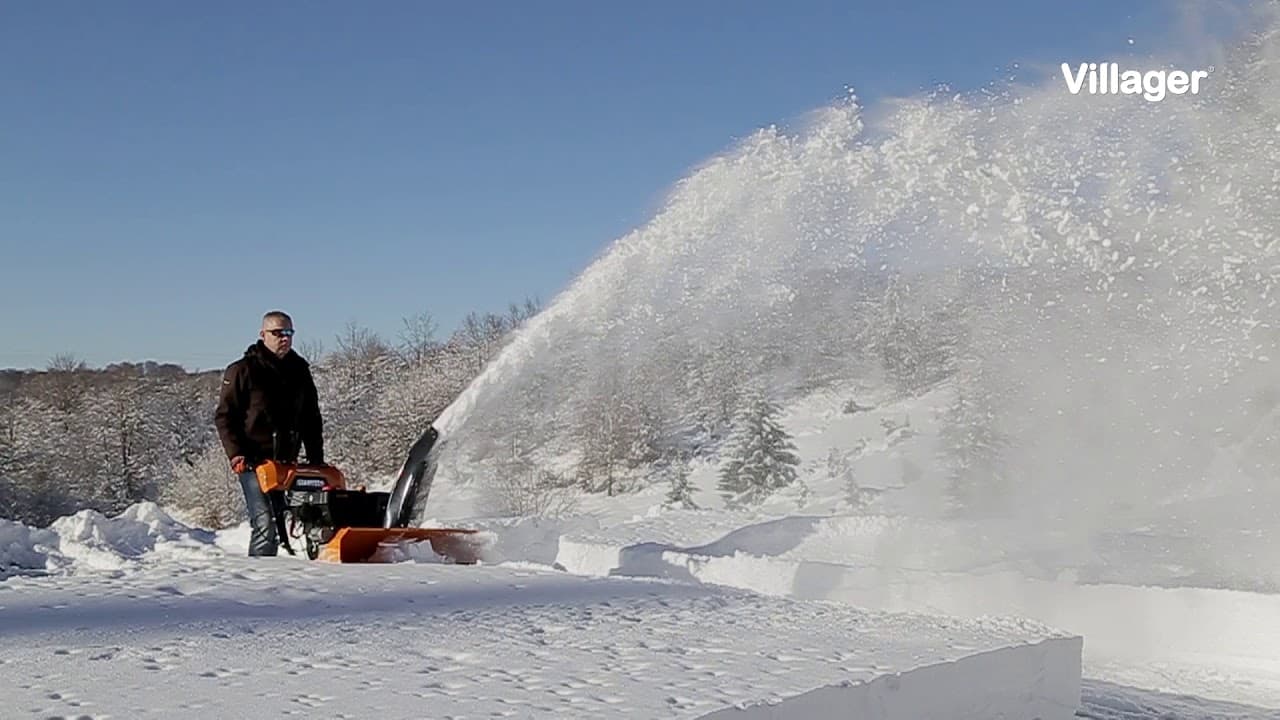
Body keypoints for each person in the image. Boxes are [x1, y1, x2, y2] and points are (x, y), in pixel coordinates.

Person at [214, 310, 325, 556]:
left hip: (287, 461)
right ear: (263, 334)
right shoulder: (242, 370)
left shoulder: (300, 371)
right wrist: (236, 454)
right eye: (278, 333)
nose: (284, 338)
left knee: (301, 518)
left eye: (289, 333)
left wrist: (316, 457)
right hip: (253, 461)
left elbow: (311, 418)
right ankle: (258, 582)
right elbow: (224, 416)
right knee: (267, 522)